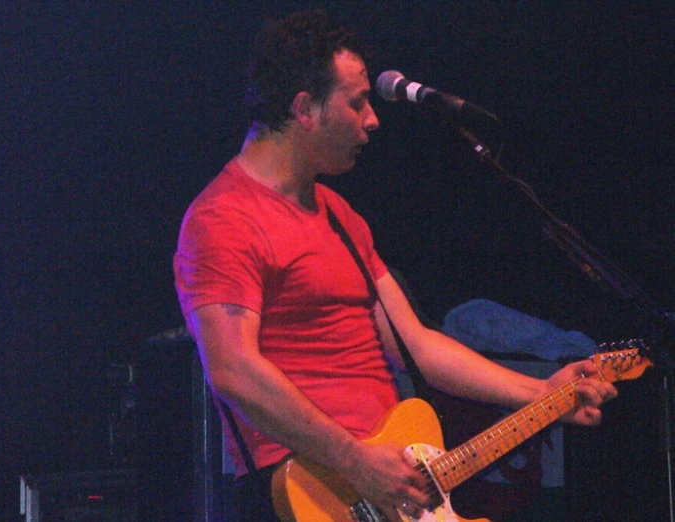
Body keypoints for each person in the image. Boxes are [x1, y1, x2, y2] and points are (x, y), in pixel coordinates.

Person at [173, 9, 617, 522]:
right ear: (305, 108)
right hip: (316, 494)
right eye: (357, 103)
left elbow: (419, 346)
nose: (372, 119)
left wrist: (542, 393)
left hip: (394, 479)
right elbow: (232, 370)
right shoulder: (225, 217)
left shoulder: (339, 215)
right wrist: (355, 461)